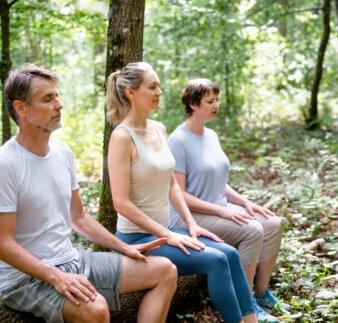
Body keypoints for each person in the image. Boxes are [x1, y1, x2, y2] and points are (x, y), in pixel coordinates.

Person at [0, 64, 178, 323]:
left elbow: (79, 217)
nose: (59, 104)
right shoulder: (6, 163)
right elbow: (3, 243)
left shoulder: (62, 152)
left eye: (57, 96)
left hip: (73, 259)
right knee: (95, 310)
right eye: (47, 99)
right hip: (24, 278)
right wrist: (55, 276)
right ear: (21, 108)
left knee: (165, 271)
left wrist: (124, 248)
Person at [106, 61, 258, 323]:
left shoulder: (158, 128)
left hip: (167, 232)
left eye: (159, 86)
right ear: (131, 92)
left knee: (230, 254)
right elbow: (121, 203)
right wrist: (167, 235)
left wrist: (190, 225)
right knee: (215, 261)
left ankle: (251, 319)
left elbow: (172, 184)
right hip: (139, 239)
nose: (159, 92)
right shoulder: (122, 137)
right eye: (152, 87)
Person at [168, 78, 287, 322]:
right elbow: (179, 193)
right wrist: (223, 212)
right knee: (252, 230)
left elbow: (219, 181)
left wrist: (244, 202)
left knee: (273, 223)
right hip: (190, 216)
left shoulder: (210, 135)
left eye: (216, 99)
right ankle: (248, 302)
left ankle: (262, 292)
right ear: (193, 104)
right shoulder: (177, 141)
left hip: (220, 206)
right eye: (209, 101)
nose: (216, 105)